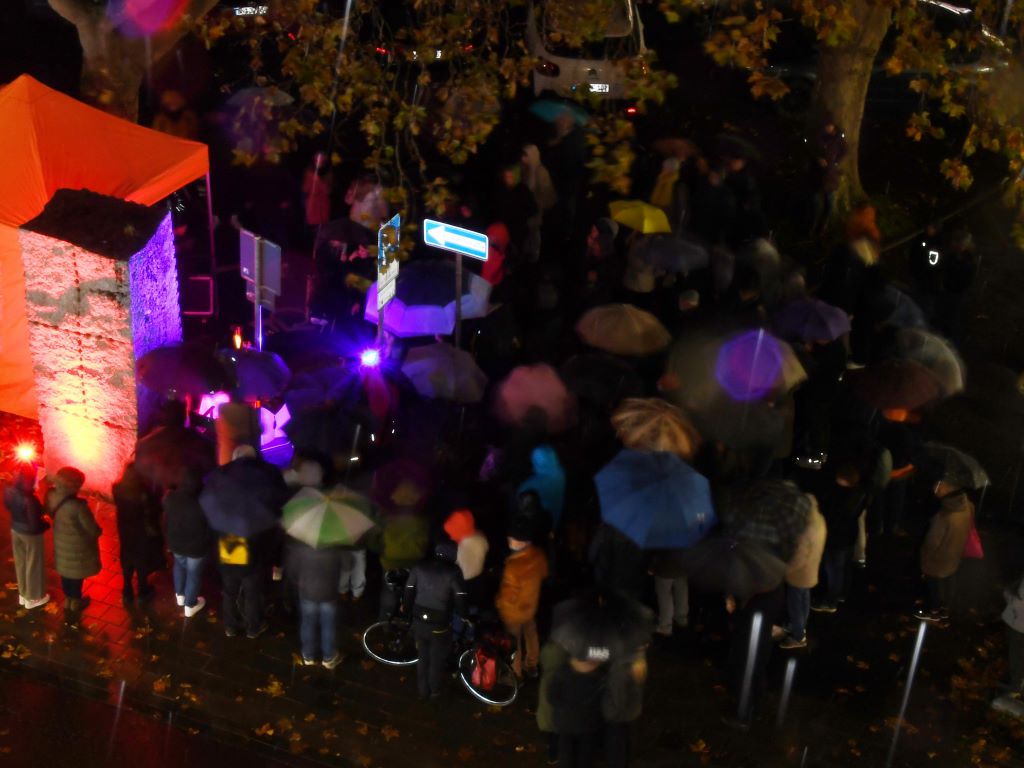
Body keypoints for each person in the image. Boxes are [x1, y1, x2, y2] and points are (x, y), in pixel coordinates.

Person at [404, 542, 467, 699]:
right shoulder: (453, 572)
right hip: (440, 623)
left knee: (423, 654)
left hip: (419, 619)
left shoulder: (419, 567)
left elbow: (409, 590)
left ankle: (422, 690)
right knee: (436, 657)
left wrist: (406, 611)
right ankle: (435, 691)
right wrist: (464, 614)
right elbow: (460, 597)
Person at [495, 519, 549, 680]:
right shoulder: (538, 555)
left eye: (511, 538)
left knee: (514, 643)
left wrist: (498, 602)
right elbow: (544, 574)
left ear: (521, 541)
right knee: (531, 634)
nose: (509, 540)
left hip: (514, 611)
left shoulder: (514, 567)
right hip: (531, 605)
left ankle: (514, 674)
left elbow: (509, 595)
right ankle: (531, 665)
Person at [48, 467, 101, 626]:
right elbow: (91, 529)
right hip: (77, 547)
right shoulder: (78, 506)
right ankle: (75, 602)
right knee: (76, 577)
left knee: (66, 573)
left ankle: (68, 600)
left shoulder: (51, 496)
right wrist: (98, 531)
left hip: (60, 542)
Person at [916, 477, 973, 622]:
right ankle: (945, 609)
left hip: (938, 559)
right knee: (948, 582)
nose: (935, 486)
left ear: (947, 488)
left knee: (934, 586)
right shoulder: (968, 506)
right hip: (955, 554)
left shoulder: (944, 514)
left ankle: (933, 611)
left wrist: (924, 559)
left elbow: (932, 542)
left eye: (939, 484)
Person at [285, 536, 344, 668]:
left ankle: (308, 656)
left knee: (307, 622)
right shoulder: (334, 549)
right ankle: (328, 658)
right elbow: (343, 567)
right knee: (328, 624)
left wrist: (299, 581)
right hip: (328, 592)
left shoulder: (299, 549)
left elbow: (291, 570)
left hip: (307, 592)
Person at [813, 464, 866, 614]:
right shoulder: (860, 493)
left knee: (833, 569)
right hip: (849, 536)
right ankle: (842, 594)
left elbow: (833, 516)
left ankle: (830, 601)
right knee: (844, 568)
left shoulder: (841, 496)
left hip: (836, 539)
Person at [112, 462, 165, 605]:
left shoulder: (117, 489)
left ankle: (127, 590)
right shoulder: (143, 493)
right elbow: (153, 510)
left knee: (127, 557)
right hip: (141, 532)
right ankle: (143, 591)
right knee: (141, 560)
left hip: (125, 530)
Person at [163, 468, 212, 617]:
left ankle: (180, 596)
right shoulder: (204, 503)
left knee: (179, 566)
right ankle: (190, 604)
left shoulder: (170, 498)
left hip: (176, 543)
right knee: (193, 574)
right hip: (196, 547)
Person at [779, 493, 826, 649]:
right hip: (811, 570)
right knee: (804, 600)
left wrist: (786, 571)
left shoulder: (805, 528)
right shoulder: (819, 520)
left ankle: (798, 636)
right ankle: (799, 626)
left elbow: (798, 556)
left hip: (799, 574)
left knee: (795, 604)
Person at [3, 465, 50, 609]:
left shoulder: (8, 490)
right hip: (31, 536)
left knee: (21, 563)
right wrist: (46, 525)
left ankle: (23, 595)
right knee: (33, 564)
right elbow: (35, 525)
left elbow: (8, 507)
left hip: (16, 530)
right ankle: (33, 598)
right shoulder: (30, 499)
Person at [1001, 575, 1024, 695]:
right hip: (1016, 621)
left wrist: (1009, 596)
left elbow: (1018, 602)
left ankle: (1015, 684)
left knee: (1016, 654)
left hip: (1018, 624)